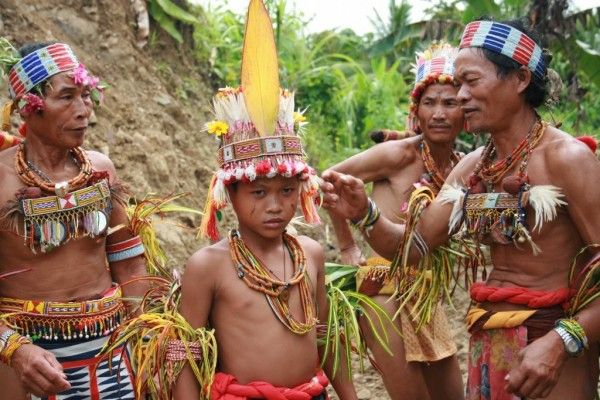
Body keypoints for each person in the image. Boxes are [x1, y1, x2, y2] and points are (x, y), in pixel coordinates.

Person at [322, 18, 600, 400]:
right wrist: (365, 214)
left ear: (519, 80)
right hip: (487, 341)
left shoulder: (566, 158)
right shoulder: (473, 168)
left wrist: (562, 341)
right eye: (458, 84)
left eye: (471, 81)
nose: (461, 95)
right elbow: (415, 249)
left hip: (552, 348)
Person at [0, 39, 147, 399]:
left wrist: (147, 334)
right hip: (28, 361)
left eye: (85, 96)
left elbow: (129, 264)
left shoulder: (101, 170)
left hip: (114, 354)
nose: (84, 110)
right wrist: (14, 349)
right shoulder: (1, 181)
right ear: (27, 108)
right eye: (66, 97)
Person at [326, 42, 464, 400]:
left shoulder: (460, 167)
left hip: (423, 291)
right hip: (381, 289)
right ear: (415, 112)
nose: (438, 113)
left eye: (449, 103)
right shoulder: (400, 154)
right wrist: (346, 245)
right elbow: (326, 180)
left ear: (467, 110)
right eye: (429, 103)